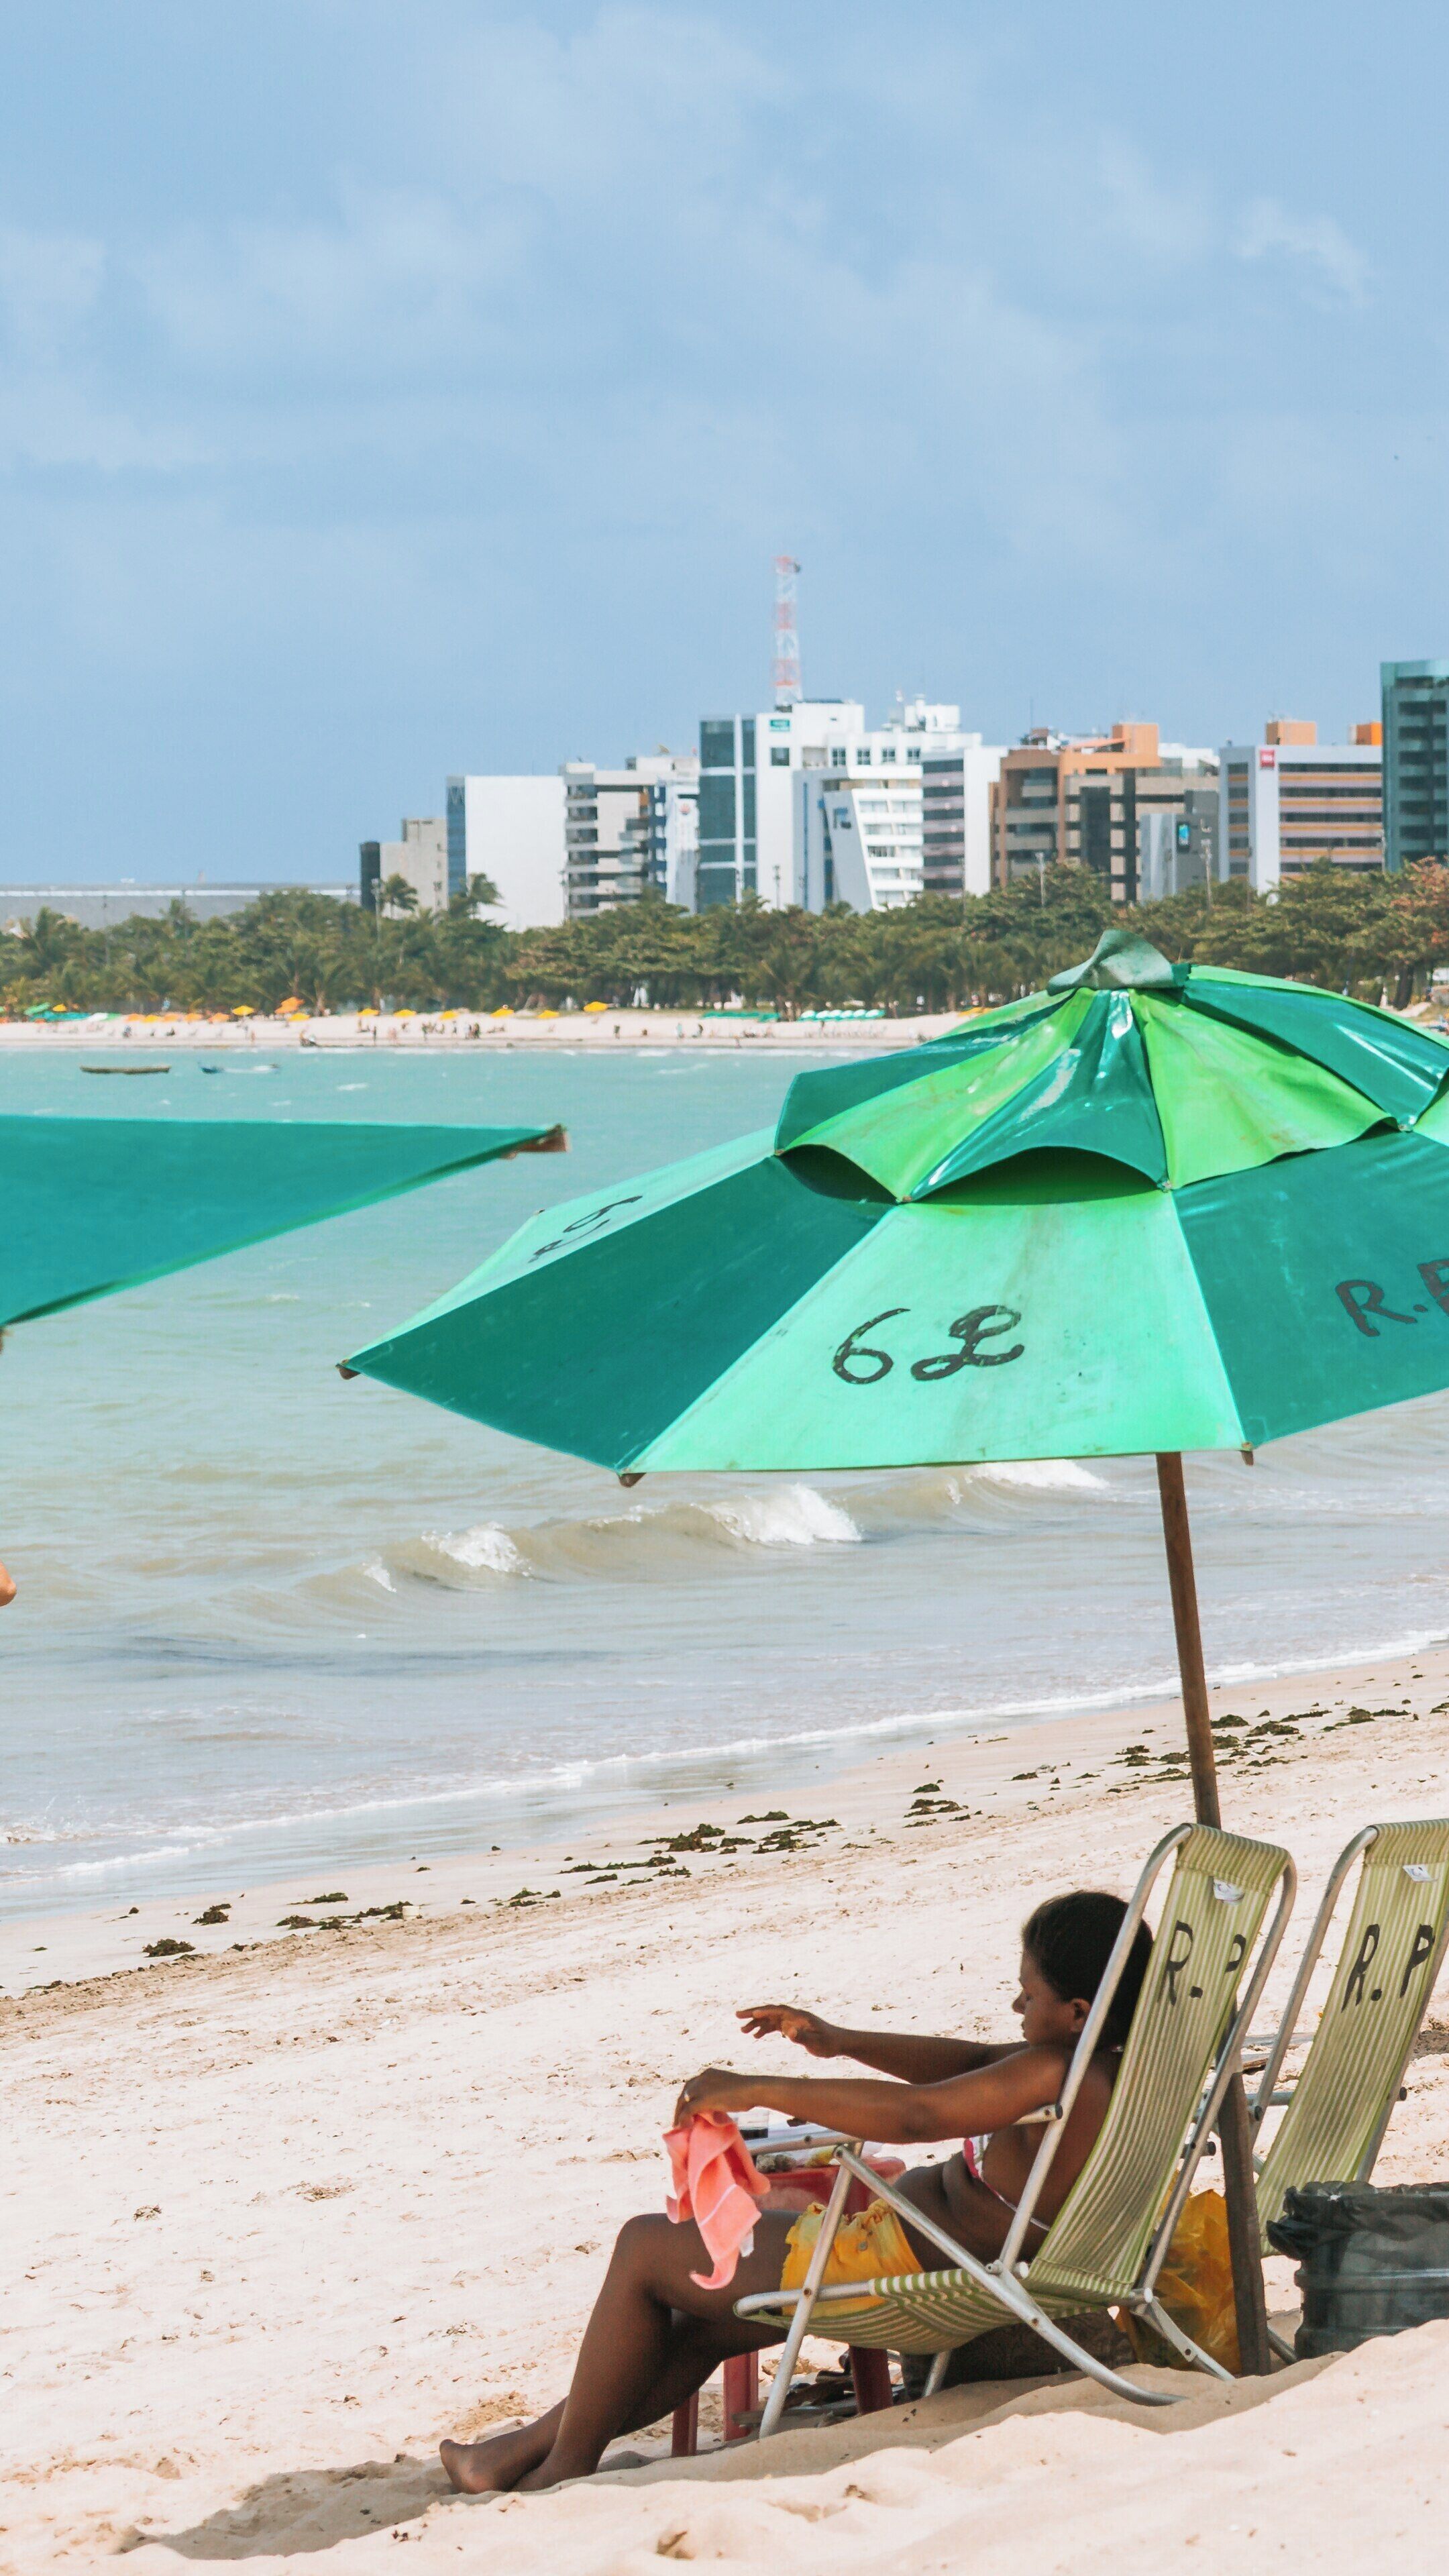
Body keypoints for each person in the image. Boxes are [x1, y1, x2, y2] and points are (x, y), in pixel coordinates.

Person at [440, 1888, 1152, 2496]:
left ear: (1080, 2010)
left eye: (1030, 1992)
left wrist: (757, 2088)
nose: (1016, 2000)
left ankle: (562, 2470)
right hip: (926, 2255)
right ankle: (516, 2454)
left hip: (896, 2267)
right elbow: (966, 2063)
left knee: (644, 2249)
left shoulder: (1056, 2072)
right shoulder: (1104, 2067)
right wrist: (839, 2040)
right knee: (701, 2328)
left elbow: (918, 2116)